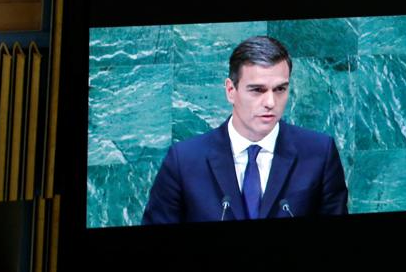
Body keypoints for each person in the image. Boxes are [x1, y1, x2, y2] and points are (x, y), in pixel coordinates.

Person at [143, 35, 349, 224]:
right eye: (257, 90)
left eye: (280, 89)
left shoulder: (320, 152)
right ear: (231, 91)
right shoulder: (184, 160)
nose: (270, 102)